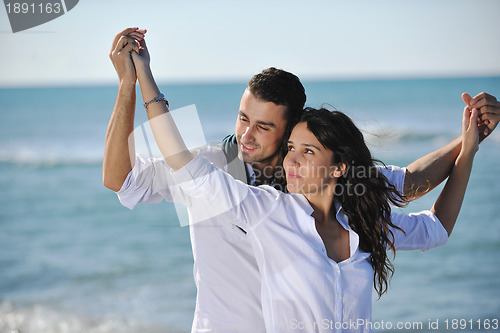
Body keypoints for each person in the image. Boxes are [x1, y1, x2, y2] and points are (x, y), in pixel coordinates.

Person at [103, 28, 499, 332]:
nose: (246, 136)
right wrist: (129, 83)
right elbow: (121, 180)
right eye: (242, 119)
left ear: (291, 130)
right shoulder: (222, 171)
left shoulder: (336, 190)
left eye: (262, 126)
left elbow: (411, 184)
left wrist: (470, 141)